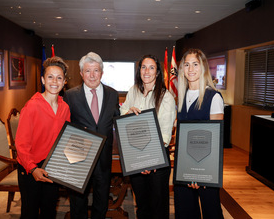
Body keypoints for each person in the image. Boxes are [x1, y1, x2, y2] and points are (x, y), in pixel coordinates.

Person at [63, 52, 120, 219]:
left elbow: (117, 120)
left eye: (96, 70)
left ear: (102, 72)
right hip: (78, 156)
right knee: (77, 201)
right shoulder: (70, 95)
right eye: (88, 71)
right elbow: (64, 125)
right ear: (81, 73)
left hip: (104, 156)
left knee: (101, 199)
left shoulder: (113, 94)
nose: (92, 75)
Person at [120, 54, 176, 219]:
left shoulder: (165, 96)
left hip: (157, 159)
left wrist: (149, 160)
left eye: (151, 67)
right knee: (142, 204)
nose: (147, 71)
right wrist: (128, 112)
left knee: (158, 205)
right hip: (136, 156)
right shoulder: (133, 90)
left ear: (158, 72)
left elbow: (165, 133)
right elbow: (123, 113)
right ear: (139, 70)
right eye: (144, 67)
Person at [16, 56, 71, 219]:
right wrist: (33, 168)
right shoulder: (32, 106)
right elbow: (21, 144)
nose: (55, 81)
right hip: (30, 167)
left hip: (52, 166)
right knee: (30, 212)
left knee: (49, 210)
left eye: (59, 77)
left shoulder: (65, 107)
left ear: (64, 81)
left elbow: (65, 139)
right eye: (50, 77)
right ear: (43, 79)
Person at [174, 48, 224, 219]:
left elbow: (215, 140)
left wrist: (200, 173)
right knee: (185, 212)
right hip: (184, 167)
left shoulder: (213, 97)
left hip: (205, 169)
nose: (191, 69)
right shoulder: (181, 96)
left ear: (203, 67)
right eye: (186, 65)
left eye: (195, 64)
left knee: (212, 211)